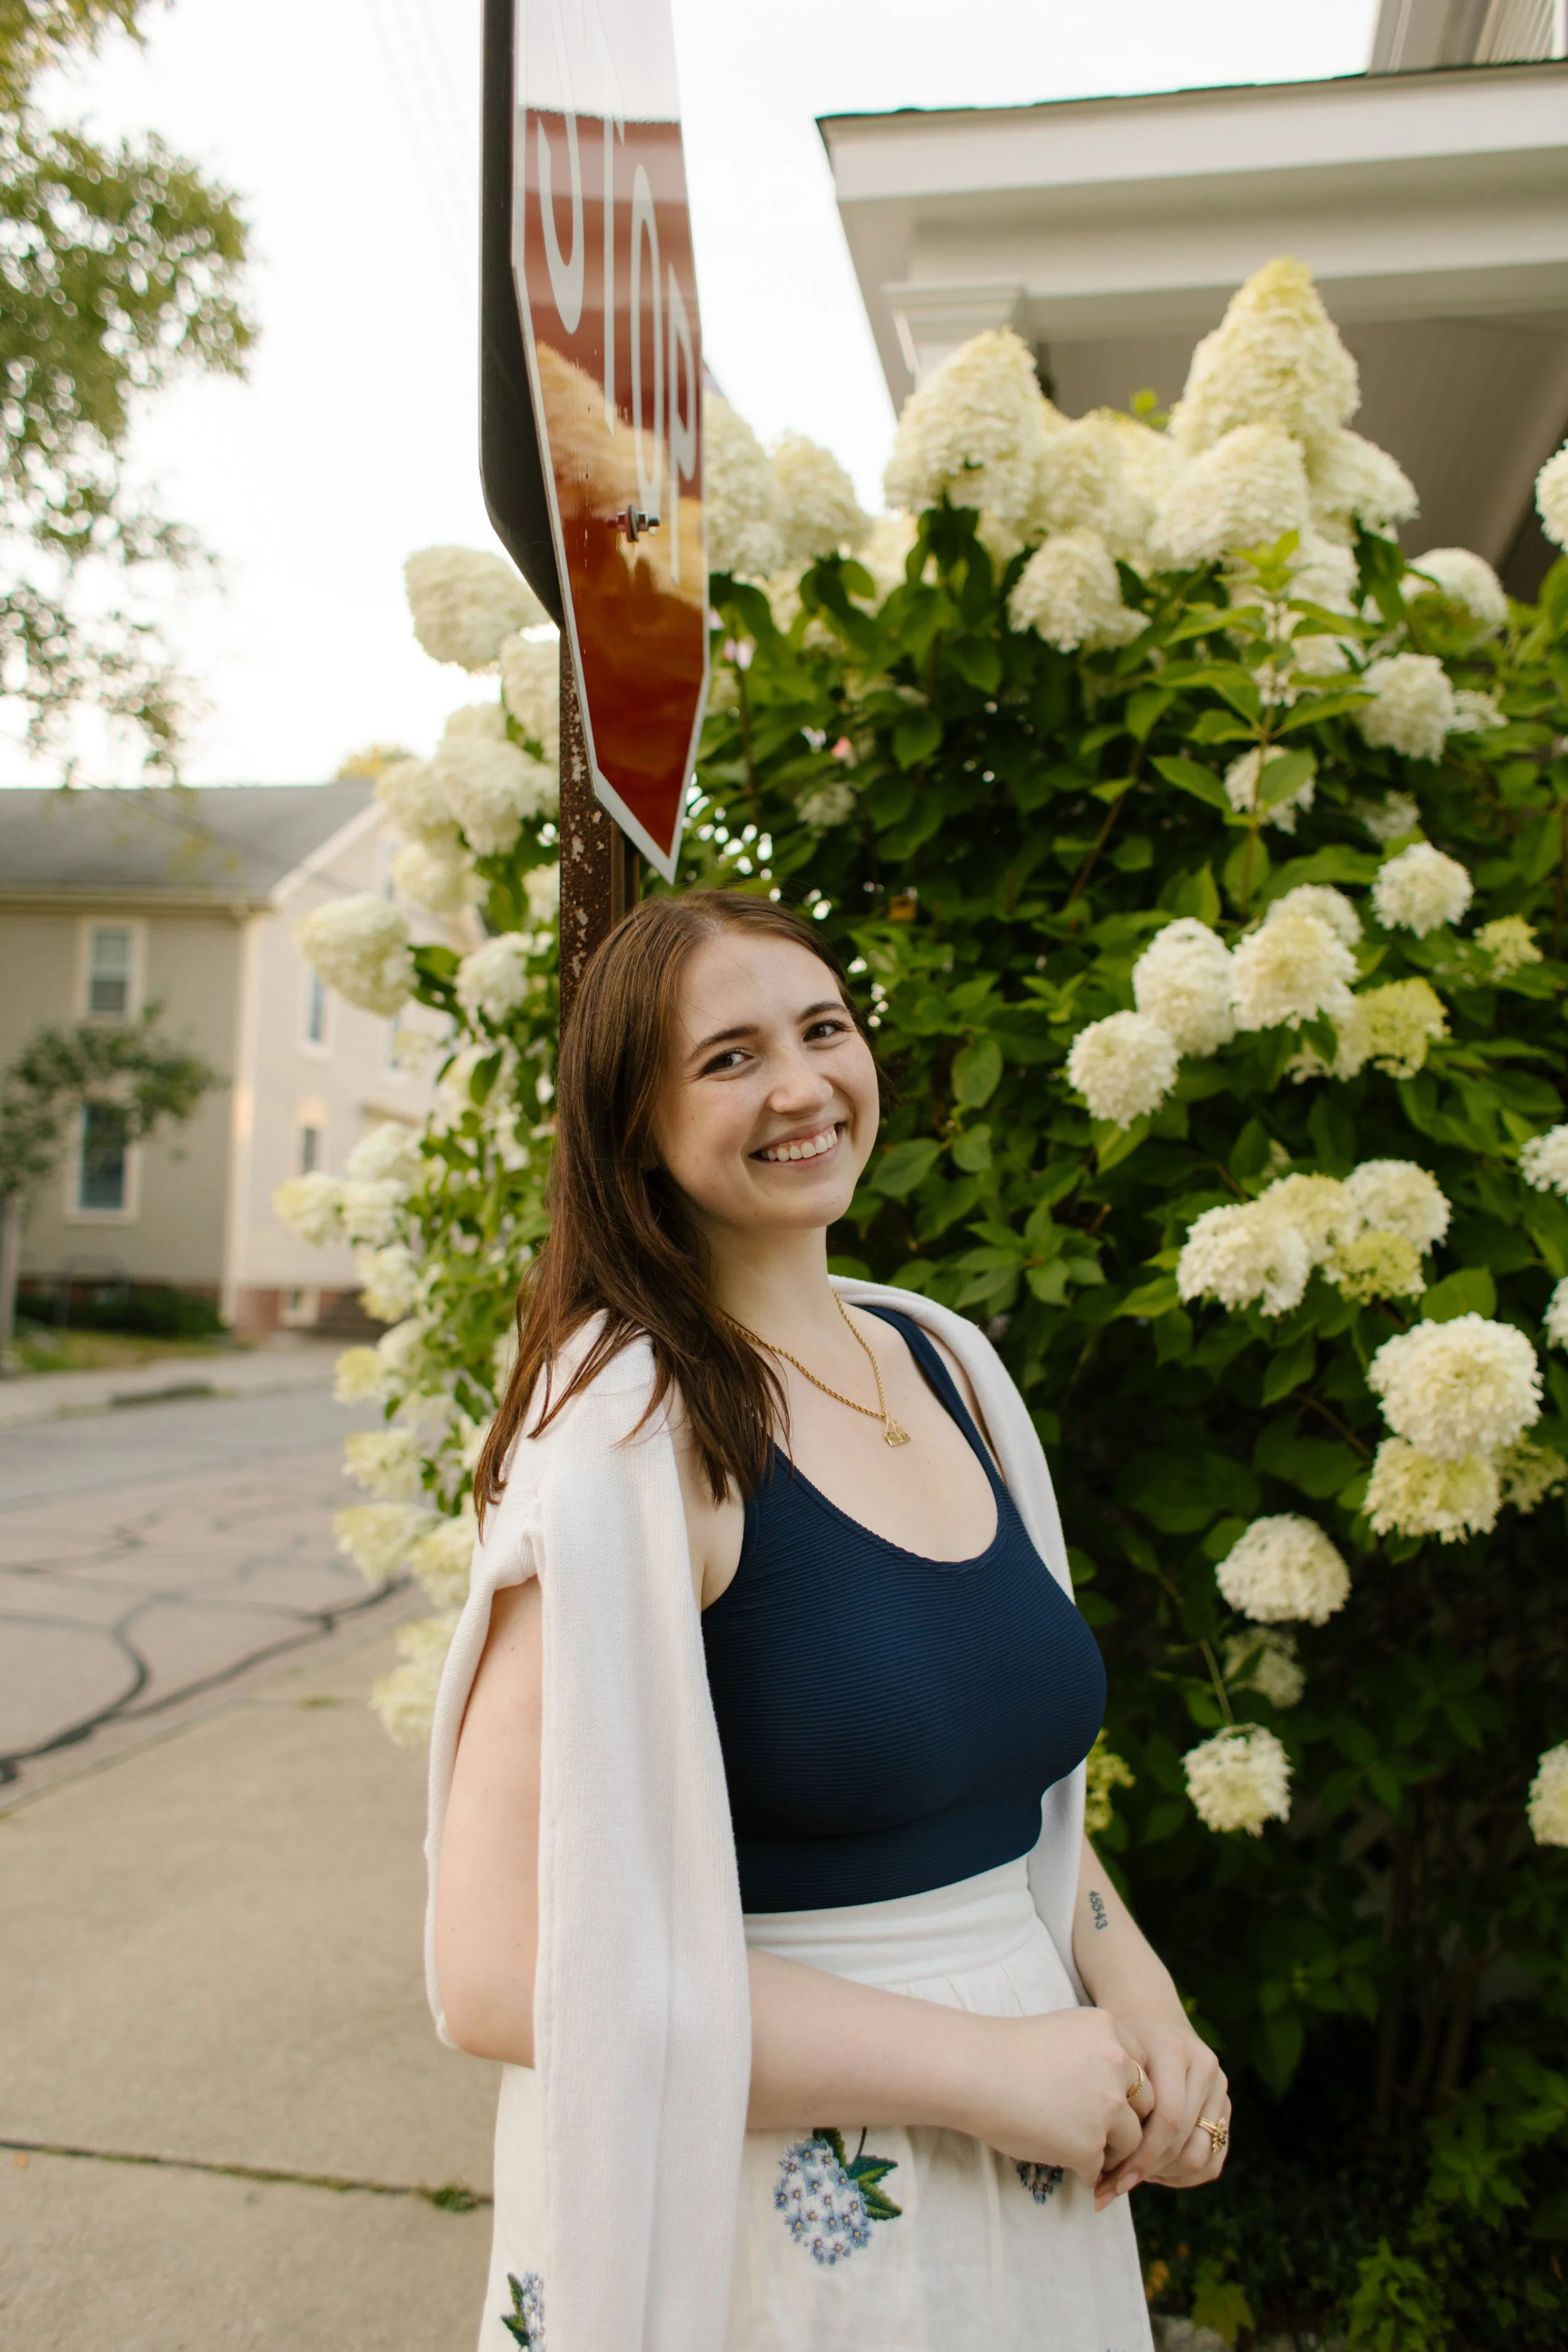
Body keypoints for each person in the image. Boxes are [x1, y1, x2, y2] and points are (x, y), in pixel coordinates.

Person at [427, 888, 1230, 2352]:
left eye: (822, 1029)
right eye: (727, 1058)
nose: (800, 1085)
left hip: (1034, 2153)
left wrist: (1137, 1991)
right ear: (631, 1129)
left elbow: (1014, 1788)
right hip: (778, 2222)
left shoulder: (945, 1360)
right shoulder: (628, 1440)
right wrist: (979, 2071)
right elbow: (496, 1970)